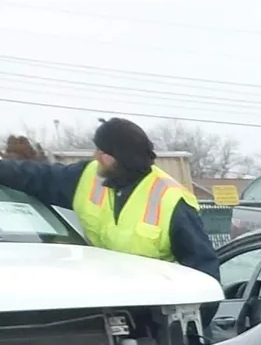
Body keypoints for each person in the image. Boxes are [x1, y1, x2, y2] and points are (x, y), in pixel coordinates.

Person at [0, 118, 219, 280]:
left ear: (115, 158)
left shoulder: (172, 201)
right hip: (103, 301)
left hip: (154, 311)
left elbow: (204, 272)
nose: (95, 156)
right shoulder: (85, 177)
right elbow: (35, 177)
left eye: (101, 152)